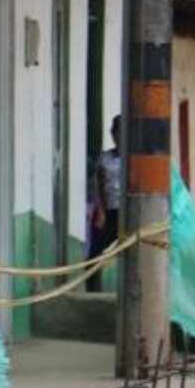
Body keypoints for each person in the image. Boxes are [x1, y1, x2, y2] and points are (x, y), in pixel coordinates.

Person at [87, 116, 124, 292]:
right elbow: (97, 185)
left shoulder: (135, 159)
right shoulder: (105, 158)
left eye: (122, 134)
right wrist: (100, 211)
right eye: (116, 134)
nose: (119, 138)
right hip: (108, 212)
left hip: (128, 214)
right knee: (95, 255)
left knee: (131, 254)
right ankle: (92, 291)